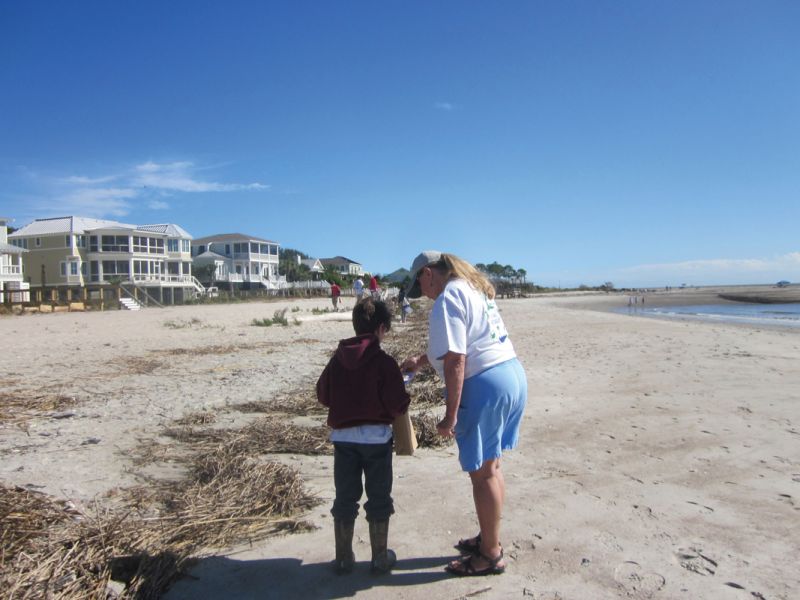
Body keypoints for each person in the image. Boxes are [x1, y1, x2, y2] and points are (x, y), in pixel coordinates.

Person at [401, 251, 527, 577]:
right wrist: (420, 360)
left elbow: (457, 360)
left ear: (428, 273)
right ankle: (490, 537)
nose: (423, 295)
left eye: (420, 286)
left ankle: (490, 555)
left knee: (482, 475)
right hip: (511, 374)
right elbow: (462, 344)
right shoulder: (471, 287)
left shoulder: (447, 298)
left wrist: (450, 415)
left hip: (484, 384)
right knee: (492, 466)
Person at [317, 298, 411, 575]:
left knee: (345, 497)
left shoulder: (337, 359)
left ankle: (344, 558)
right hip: (377, 441)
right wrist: (404, 394)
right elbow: (397, 405)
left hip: (343, 440)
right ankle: (380, 558)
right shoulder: (384, 362)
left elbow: (323, 394)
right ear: (382, 328)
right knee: (379, 496)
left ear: (355, 325)